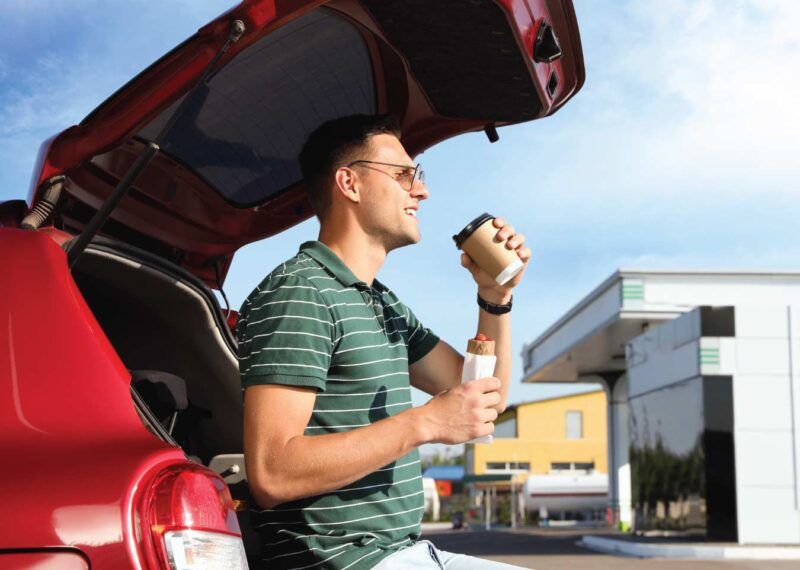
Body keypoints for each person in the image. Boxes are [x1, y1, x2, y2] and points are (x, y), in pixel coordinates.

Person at [239, 114, 531, 569]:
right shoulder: (301, 292)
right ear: (349, 183)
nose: (421, 190)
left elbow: (484, 400)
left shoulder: (383, 305)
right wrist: (424, 423)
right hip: (343, 561)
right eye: (402, 175)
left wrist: (495, 298)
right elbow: (272, 472)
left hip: (401, 552)